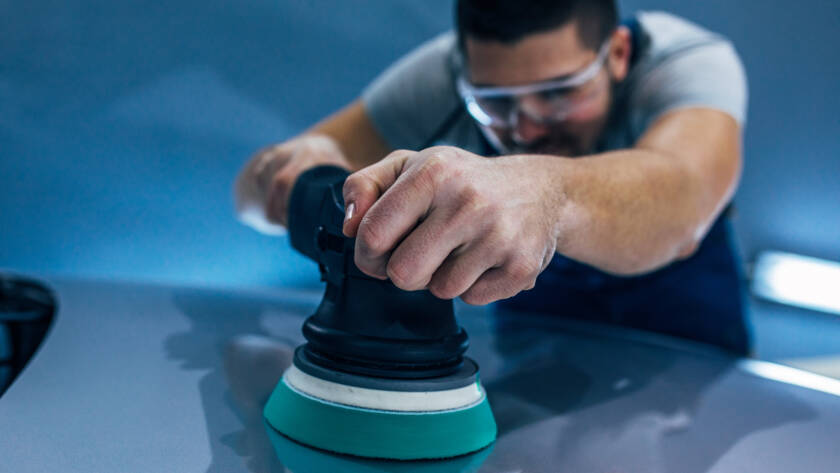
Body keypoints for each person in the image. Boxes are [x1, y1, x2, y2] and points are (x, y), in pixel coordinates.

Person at [234, 0, 751, 354]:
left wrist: (543, 194)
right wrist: (288, 171)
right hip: (542, 355)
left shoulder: (687, 62)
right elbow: (251, 198)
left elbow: (684, 196)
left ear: (616, 54)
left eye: (558, 92)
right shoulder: (443, 79)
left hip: (692, 350)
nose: (524, 127)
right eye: (495, 103)